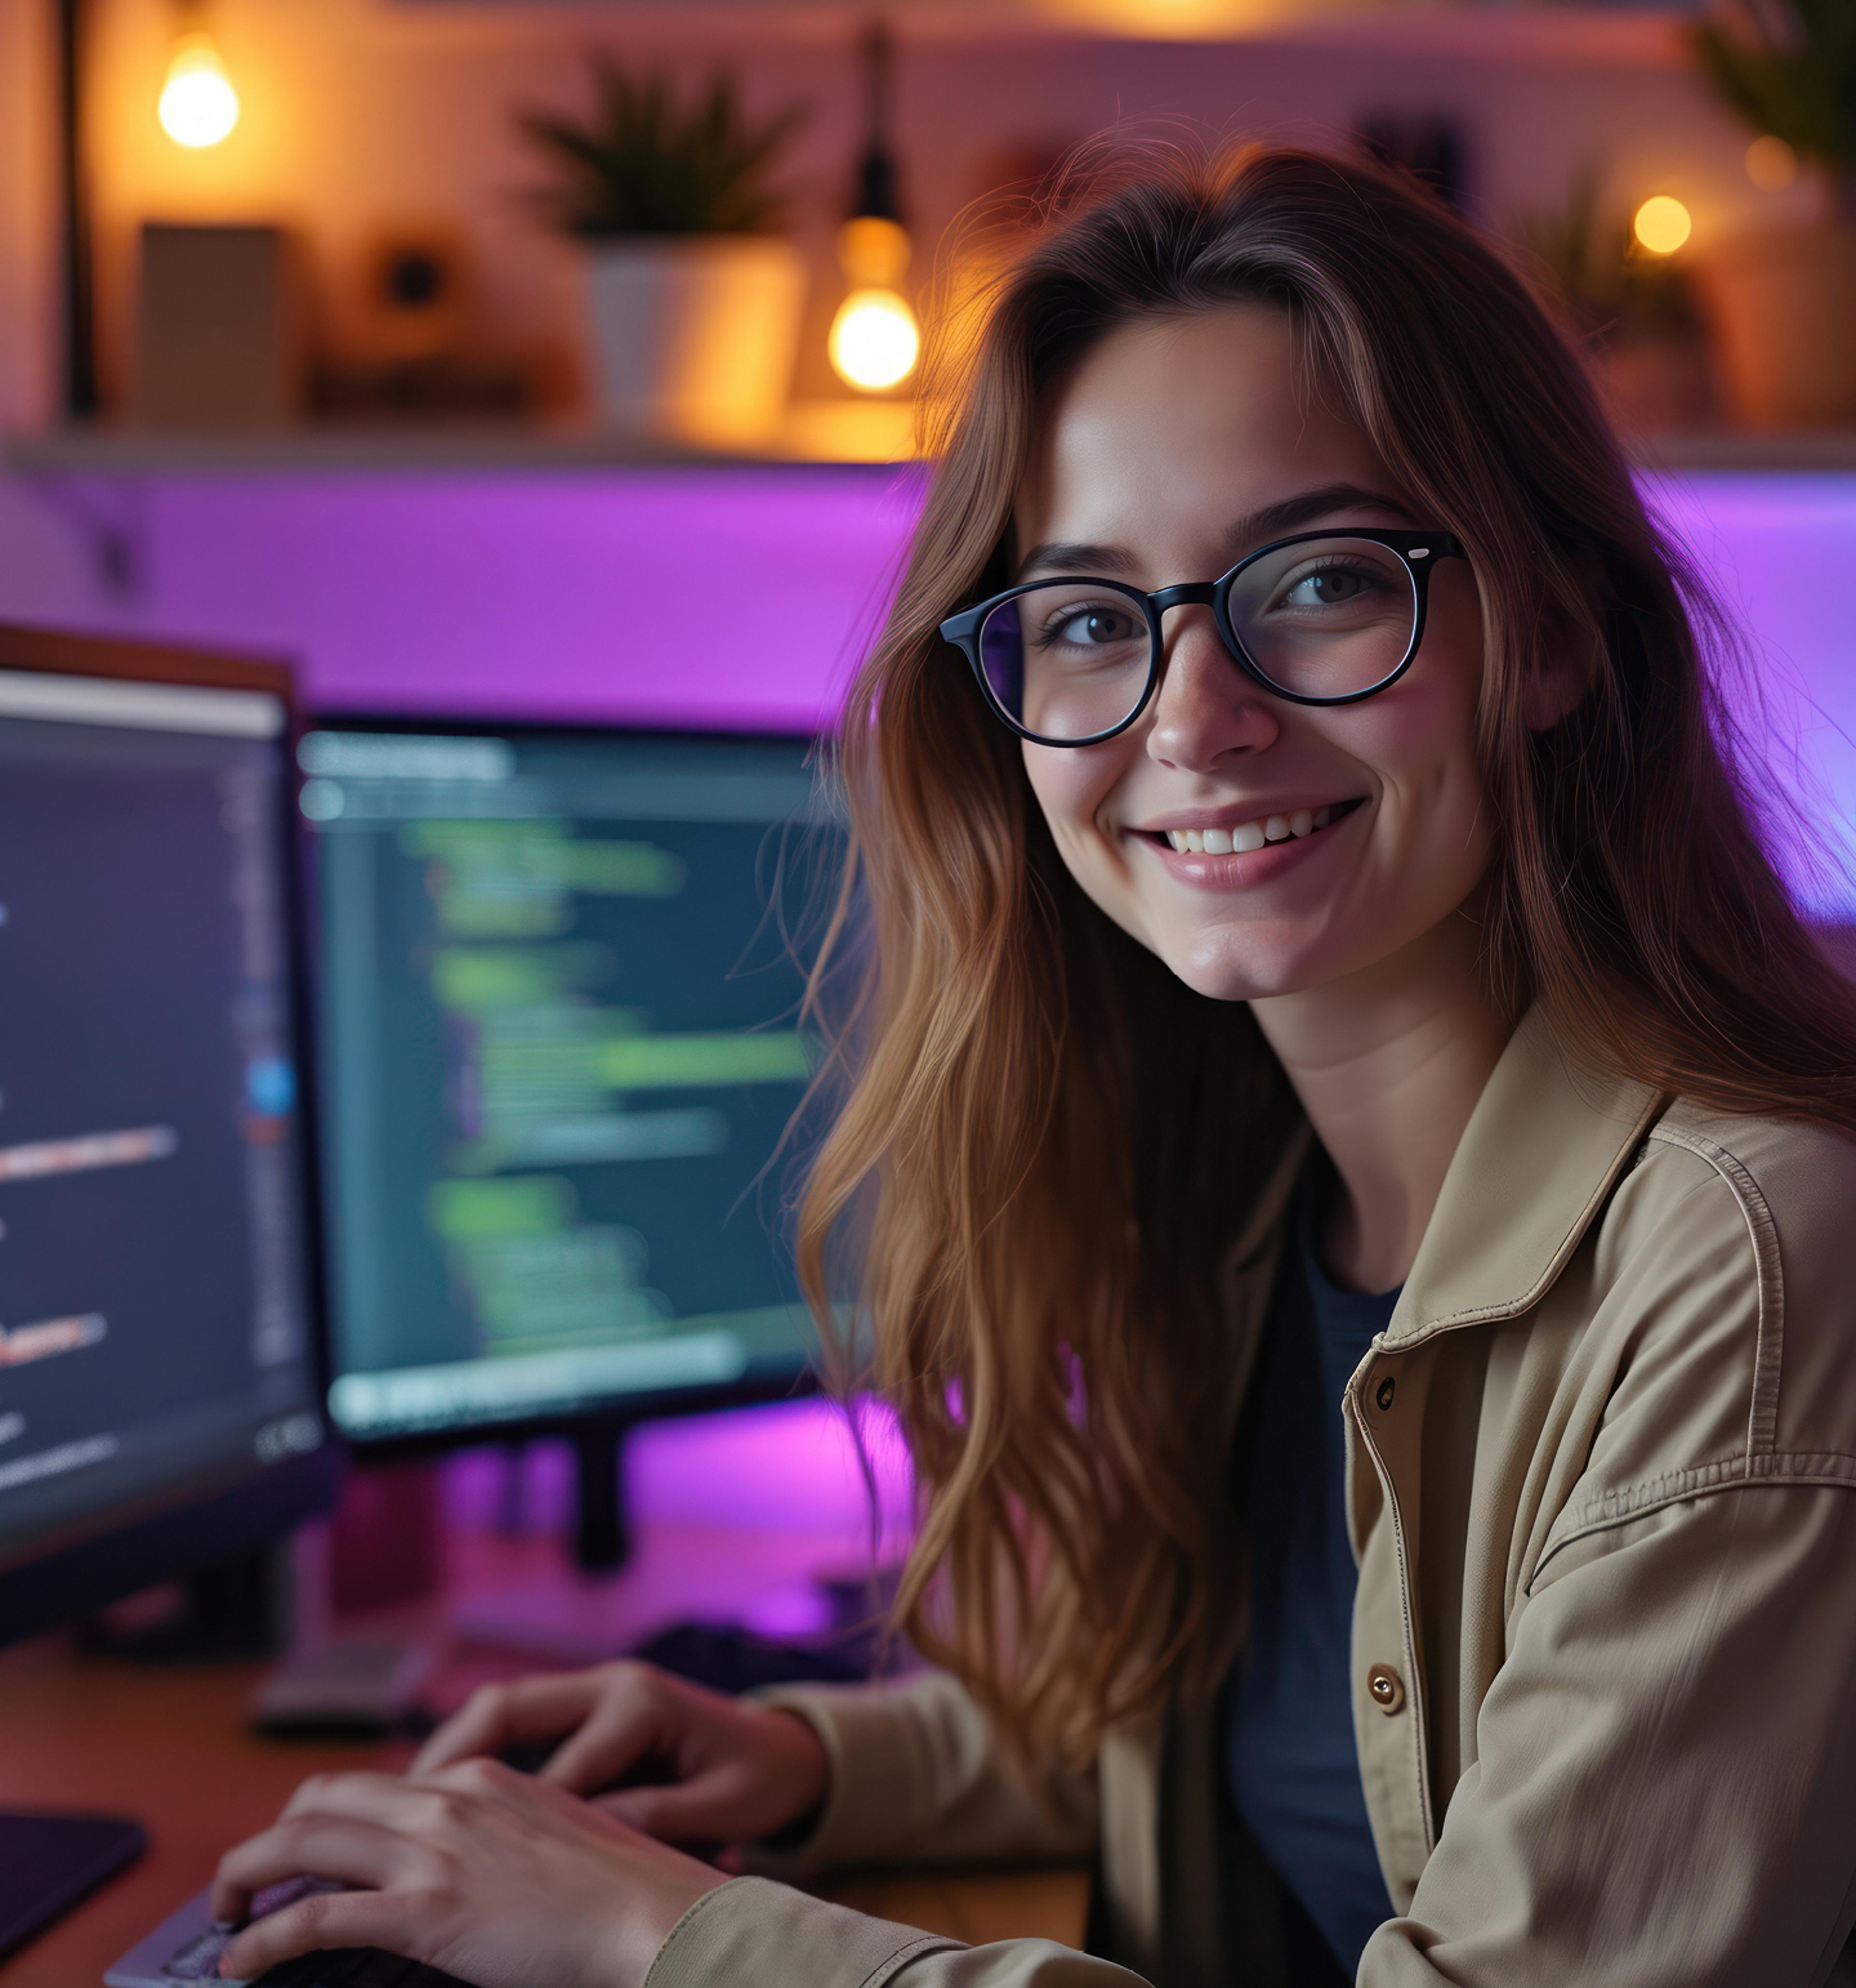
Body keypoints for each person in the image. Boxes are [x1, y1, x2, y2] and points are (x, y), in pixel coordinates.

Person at [212, 145, 1856, 1988]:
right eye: (1088, 619)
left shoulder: (1759, 1259)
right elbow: (1267, 1734)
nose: (1196, 719)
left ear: (1550, 634)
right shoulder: (1256, 1195)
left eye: (1319, 582)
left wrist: (652, 1935)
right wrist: (810, 1759)